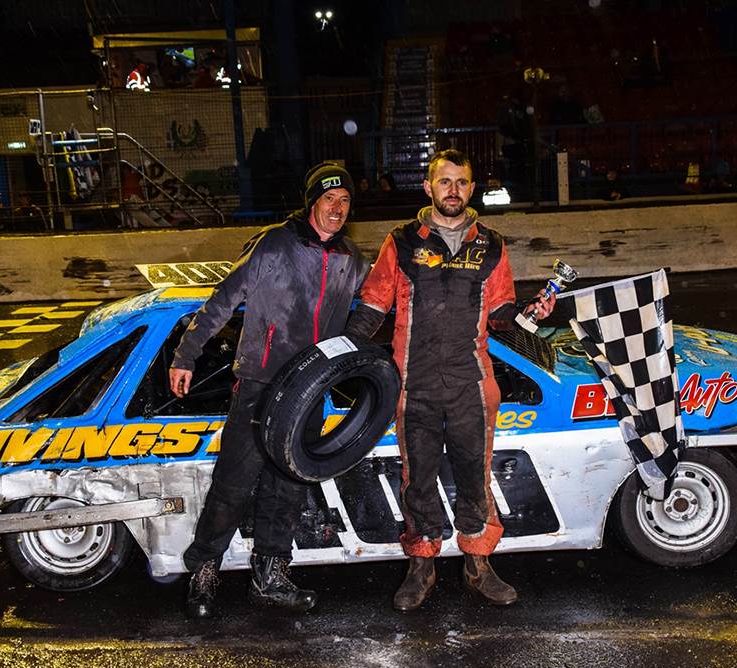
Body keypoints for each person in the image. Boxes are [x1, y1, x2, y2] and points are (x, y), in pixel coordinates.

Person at [346, 149, 554, 611]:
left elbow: (501, 314)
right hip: (413, 383)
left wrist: (530, 313)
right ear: (428, 187)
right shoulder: (402, 241)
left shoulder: (491, 244)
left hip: (470, 385)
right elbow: (374, 305)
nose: (453, 190)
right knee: (417, 479)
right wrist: (339, 354)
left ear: (472, 189)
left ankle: (478, 565)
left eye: (461, 182)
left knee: (475, 478)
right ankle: (422, 565)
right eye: (445, 181)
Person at [169, 162, 367, 619]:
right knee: (233, 483)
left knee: (289, 485)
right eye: (329, 199)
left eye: (344, 201)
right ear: (312, 202)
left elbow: (378, 302)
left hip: (311, 389)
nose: (337, 209)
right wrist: (185, 355)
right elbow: (222, 300)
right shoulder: (274, 243)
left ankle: (270, 577)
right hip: (260, 384)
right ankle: (204, 571)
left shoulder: (351, 258)